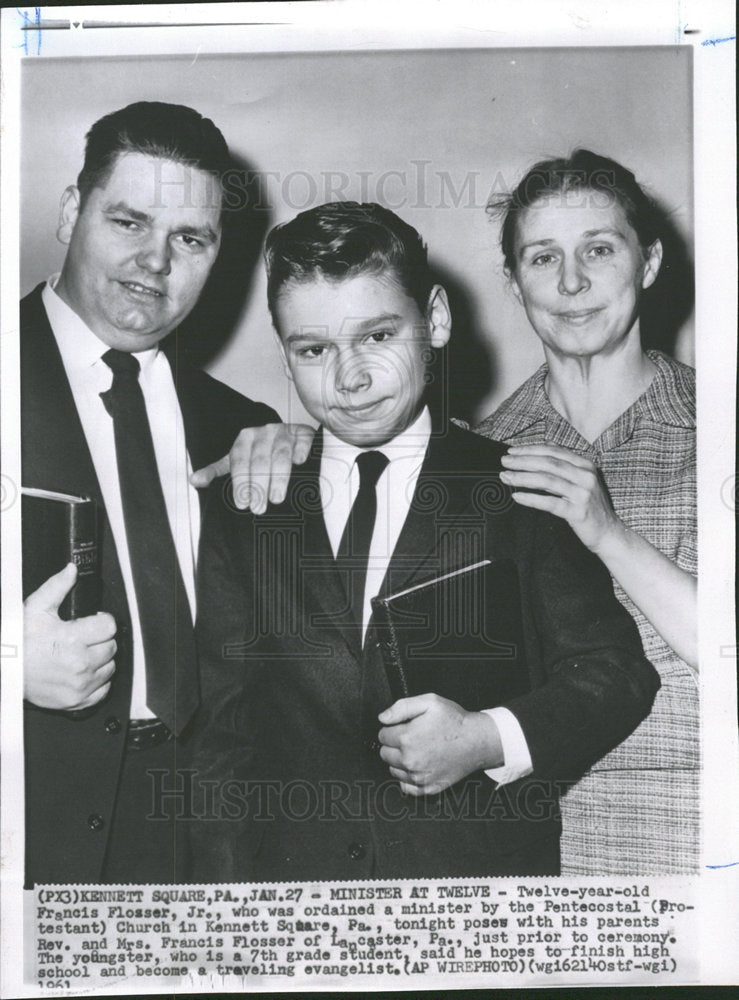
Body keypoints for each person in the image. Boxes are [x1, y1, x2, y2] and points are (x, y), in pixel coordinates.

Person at [194, 201, 659, 882]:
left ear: (434, 319)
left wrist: (486, 737)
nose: (348, 378)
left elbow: (614, 675)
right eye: (313, 350)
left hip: (473, 908)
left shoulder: (520, 489)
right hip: (295, 914)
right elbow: (220, 745)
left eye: (378, 336)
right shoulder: (245, 507)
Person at [21, 101, 311, 885]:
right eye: (129, 222)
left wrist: (322, 454)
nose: (156, 261)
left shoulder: (240, 426)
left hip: (213, 837)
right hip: (30, 832)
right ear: (72, 211)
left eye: (189, 239)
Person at [475, 149, 698, 874]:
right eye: (542, 258)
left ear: (649, 261)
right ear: (513, 282)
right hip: (526, 853)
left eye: (598, 250)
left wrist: (605, 532)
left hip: (695, 837)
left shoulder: (720, 425)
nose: (570, 283)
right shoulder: (479, 458)